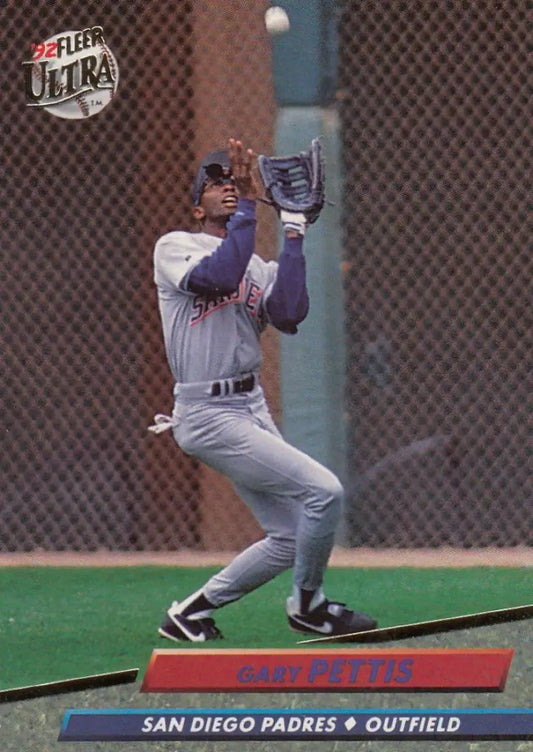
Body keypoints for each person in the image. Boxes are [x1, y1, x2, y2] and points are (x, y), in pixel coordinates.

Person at [152, 138, 377, 641]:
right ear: (197, 207)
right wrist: (252, 206)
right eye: (216, 183)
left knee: (290, 535)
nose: (228, 187)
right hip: (207, 412)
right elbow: (218, 275)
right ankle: (308, 605)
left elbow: (290, 313)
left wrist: (293, 232)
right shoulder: (176, 247)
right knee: (324, 492)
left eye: (232, 181)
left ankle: (188, 613)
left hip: (247, 404)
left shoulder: (257, 264)